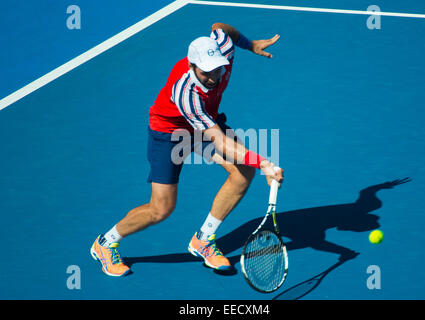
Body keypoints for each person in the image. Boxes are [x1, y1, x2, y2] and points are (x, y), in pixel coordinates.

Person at [90, 23, 284, 276]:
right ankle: (105, 243)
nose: (213, 77)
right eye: (206, 73)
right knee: (161, 210)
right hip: (169, 133)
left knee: (242, 171)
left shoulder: (223, 50)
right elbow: (218, 140)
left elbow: (221, 28)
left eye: (216, 69)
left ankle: (203, 239)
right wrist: (265, 163)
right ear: (192, 66)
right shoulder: (185, 93)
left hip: (205, 122)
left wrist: (250, 44)